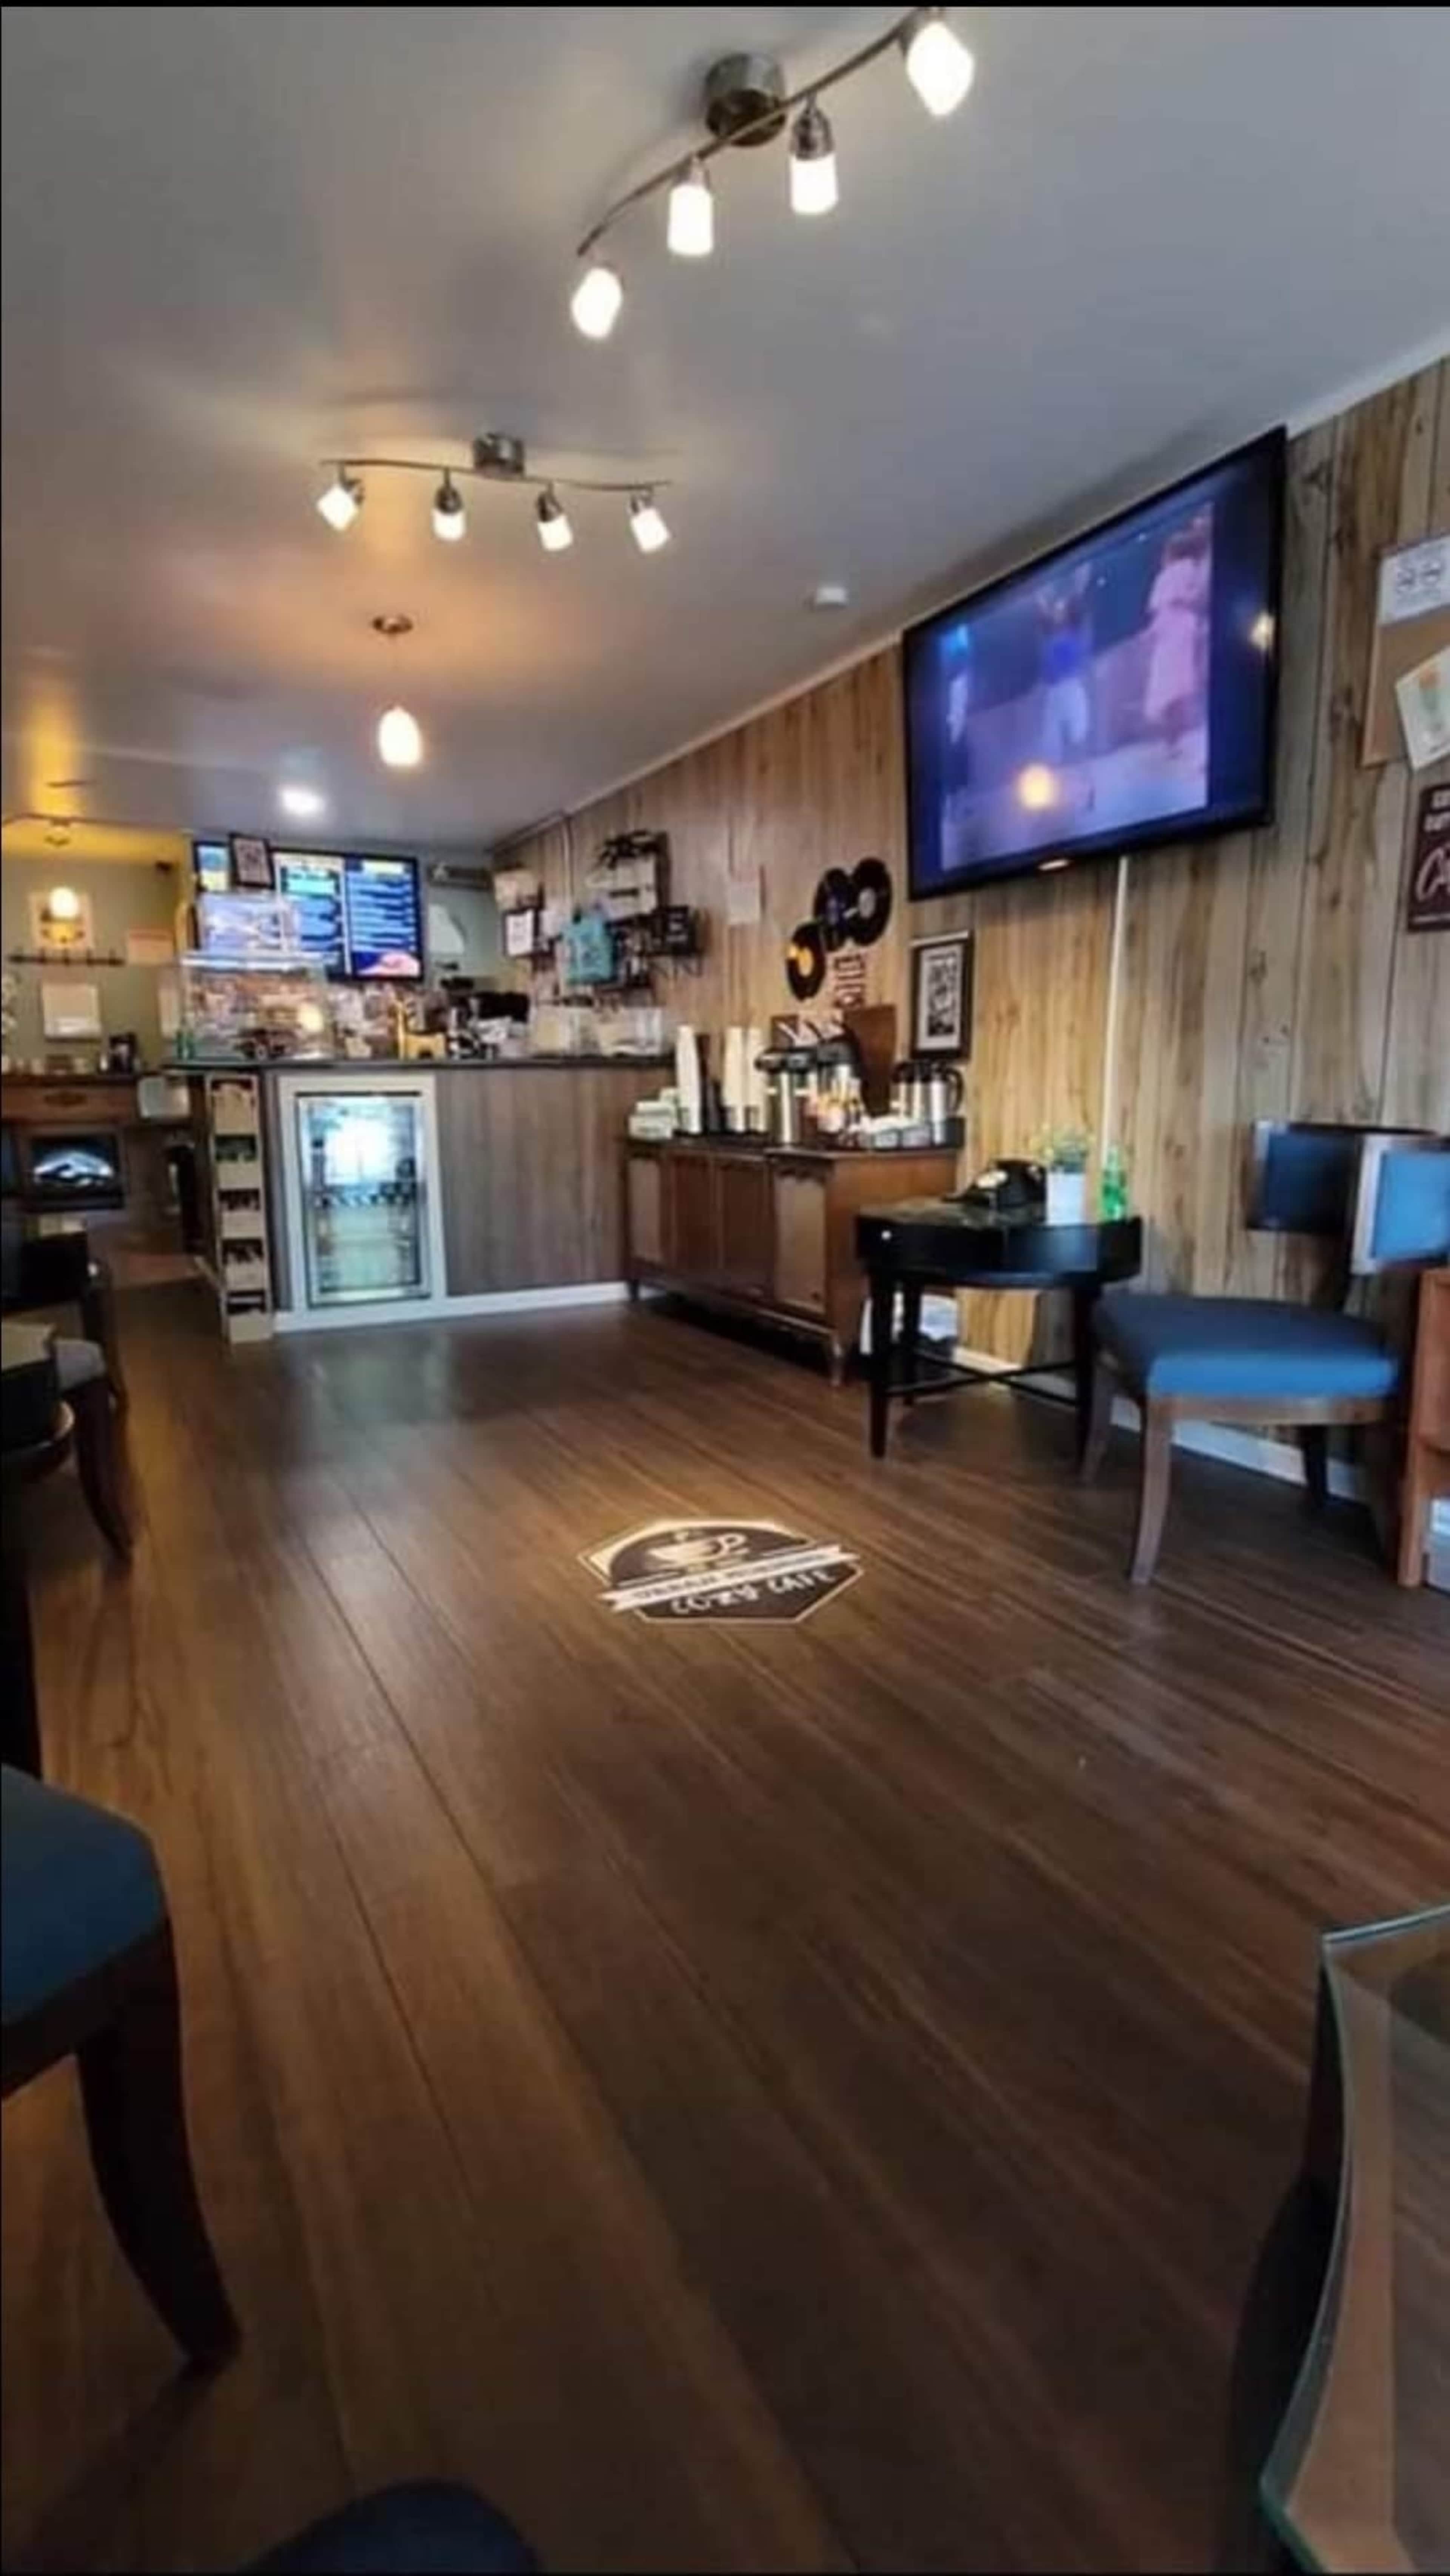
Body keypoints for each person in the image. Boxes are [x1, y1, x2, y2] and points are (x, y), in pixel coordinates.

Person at [1143, 525, 1210, 756]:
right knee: (1179, 687)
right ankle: (1175, 741)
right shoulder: (1192, 570)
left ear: (1172, 555)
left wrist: (1153, 633)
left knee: (1168, 688)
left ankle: (1172, 742)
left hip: (1171, 632)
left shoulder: (1167, 577)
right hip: (1185, 628)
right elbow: (1195, 597)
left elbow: (1158, 608)